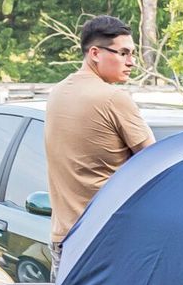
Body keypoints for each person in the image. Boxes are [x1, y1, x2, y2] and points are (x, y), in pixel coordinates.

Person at [44, 15, 154, 270]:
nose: (131, 62)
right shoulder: (113, 98)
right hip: (105, 241)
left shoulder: (58, 92)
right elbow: (154, 163)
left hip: (63, 240)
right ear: (95, 53)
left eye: (133, 54)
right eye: (123, 53)